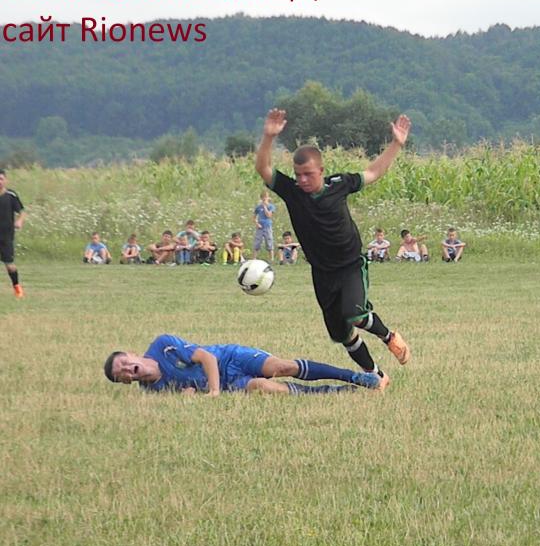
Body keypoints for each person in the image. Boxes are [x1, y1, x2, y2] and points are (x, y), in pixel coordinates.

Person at [255, 108, 412, 388]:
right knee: (343, 334)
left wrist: (396, 144)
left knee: (355, 313)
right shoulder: (292, 192)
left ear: (321, 171)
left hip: (350, 265)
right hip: (322, 273)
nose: (302, 180)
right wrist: (268, 137)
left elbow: (373, 171)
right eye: (298, 175)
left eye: (308, 174)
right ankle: (377, 376)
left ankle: (389, 337)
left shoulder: (340, 184)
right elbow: (263, 169)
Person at [104, 333, 386, 395]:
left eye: (124, 363)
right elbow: (184, 394)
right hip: (231, 384)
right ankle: (341, 393)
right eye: (122, 375)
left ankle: (354, 377)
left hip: (228, 358)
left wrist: (213, 392)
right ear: (126, 382)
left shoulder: (162, 345)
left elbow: (207, 358)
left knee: (282, 367)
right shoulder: (152, 391)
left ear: (132, 354)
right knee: (265, 388)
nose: (127, 370)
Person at [0, 168, 25, 299]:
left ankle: (17, 287)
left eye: (1, 179)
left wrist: (20, 221)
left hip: (6, 236)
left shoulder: (11, 195)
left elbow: (22, 211)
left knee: (9, 264)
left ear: (5, 180)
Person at [253, 190, 276, 262]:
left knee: (269, 240)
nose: (264, 198)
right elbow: (254, 217)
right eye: (263, 197)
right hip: (260, 226)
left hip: (267, 226)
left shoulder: (271, 206)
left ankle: (271, 258)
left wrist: (265, 206)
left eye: (266, 197)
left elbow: (269, 215)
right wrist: (257, 223)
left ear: (268, 198)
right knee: (257, 241)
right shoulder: (258, 207)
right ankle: (254, 258)